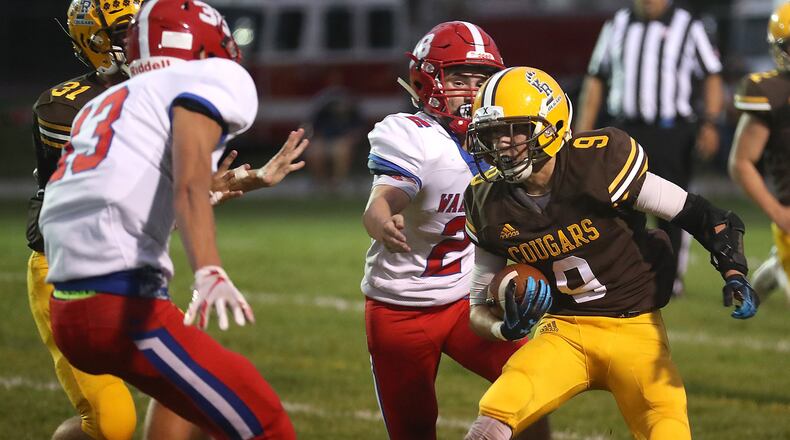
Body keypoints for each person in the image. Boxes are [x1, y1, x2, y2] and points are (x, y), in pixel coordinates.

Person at [39, 1, 308, 439]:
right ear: (201, 46)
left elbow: (135, 194)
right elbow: (187, 184)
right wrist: (209, 270)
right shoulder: (210, 78)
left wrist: (249, 179)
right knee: (265, 420)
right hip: (123, 306)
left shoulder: (102, 106)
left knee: (197, 417)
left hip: (67, 309)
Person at [461, 66, 758, 440]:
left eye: (514, 131)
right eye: (490, 134)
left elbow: (703, 215)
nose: (501, 145)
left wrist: (733, 270)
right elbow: (477, 309)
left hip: (634, 327)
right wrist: (502, 327)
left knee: (666, 424)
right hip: (562, 330)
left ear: (551, 124)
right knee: (499, 406)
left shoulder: (599, 162)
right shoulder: (486, 199)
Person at [361, 22, 550, 440]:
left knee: (533, 390)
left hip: (468, 301)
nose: (469, 90)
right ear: (427, 79)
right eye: (458, 78)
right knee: (414, 431)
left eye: (480, 79)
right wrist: (381, 218)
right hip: (402, 309)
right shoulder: (411, 134)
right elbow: (386, 196)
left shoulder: (505, 140)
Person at [574, 0, 725, 297]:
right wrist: (582, 133)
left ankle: (669, 279)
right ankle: (622, 272)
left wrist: (710, 122)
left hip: (671, 131)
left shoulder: (688, 25)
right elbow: (595, 79)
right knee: (614, 203)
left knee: (672, 207)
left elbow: (712, 74)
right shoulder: (616, 24)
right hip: (625, 130)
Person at [729, 2, 790, 304]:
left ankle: (778, 264)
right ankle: (780, 263)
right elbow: (741, 162)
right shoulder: (772, 92)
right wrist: (778, 213)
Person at [304, 79, 365, 192]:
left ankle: (338, 184)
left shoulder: (351, 104)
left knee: (340, 149)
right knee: (314, 151)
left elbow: (358, 128)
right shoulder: (322, 105)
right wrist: (316, 137)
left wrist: (351, 138)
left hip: (344, 140)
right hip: (325, 139)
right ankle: (320, 183)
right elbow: (313, 127)